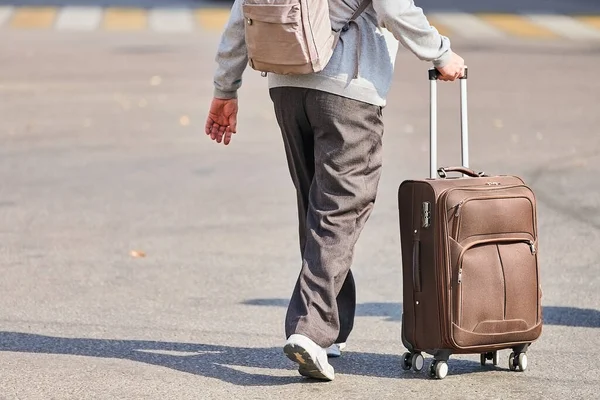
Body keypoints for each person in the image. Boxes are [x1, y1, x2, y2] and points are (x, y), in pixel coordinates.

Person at [205, 0, 466, 381]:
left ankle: (332, 327)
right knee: (339, 212)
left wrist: (225, 88)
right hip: (347, 88)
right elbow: (393, 9)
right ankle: (310, 332)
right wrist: (441, 52)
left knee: (318, 208)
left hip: (286, 85)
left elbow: (242, 13)